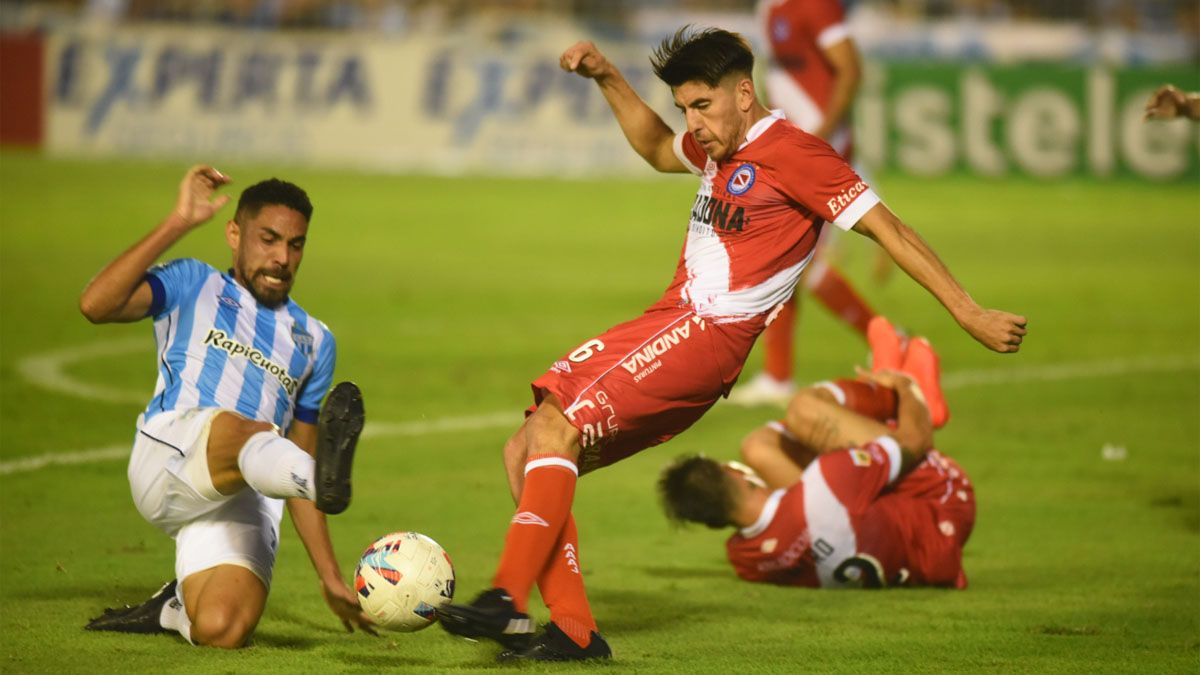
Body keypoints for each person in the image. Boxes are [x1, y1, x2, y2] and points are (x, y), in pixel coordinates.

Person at [437, 27, 1024, 662]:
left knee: (553, 434)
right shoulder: (718, 145)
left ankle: (505, 596)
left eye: (703, 107)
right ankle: (574, 631)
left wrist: (969, 312)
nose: (693, 124)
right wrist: (608, 74)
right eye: (686, 107)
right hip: (667, 322)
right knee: (523, 449)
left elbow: (891, 230)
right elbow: (658, 149)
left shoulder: (798, 155)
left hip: (704, 335)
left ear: (744, 93)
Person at [78, 165, 373, 647]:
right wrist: (178, 221)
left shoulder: (316, 341)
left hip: (246, 488)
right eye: (268, 239)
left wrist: (330, 576)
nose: (282, 257)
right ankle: (313, 478)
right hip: (171, 455)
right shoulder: (195, 283)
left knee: (223, 628)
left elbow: (303, 445)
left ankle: (171, 609)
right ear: (234, 234)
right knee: (250, 430)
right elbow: (95, 304)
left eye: (295, 245)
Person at [658, 325, 974, 589]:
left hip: (900, 549)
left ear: (713, 522)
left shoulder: (746, 559)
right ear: (736, 472)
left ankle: (878, 390)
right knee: (804, 411)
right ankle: (894, 395)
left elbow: (799, 514)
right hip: (942, 504)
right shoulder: (828, 482)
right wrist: (907, 390)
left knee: (759, 446)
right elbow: (916, 443)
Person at [731, 0, 880, 405]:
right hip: (793, 145)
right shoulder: (770, 8)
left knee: (803, 261)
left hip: (816, 146)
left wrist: (825, 134)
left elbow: (850, 67)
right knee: (781, 256)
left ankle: (885, 340)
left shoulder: (813, 3)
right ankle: (778, 376)